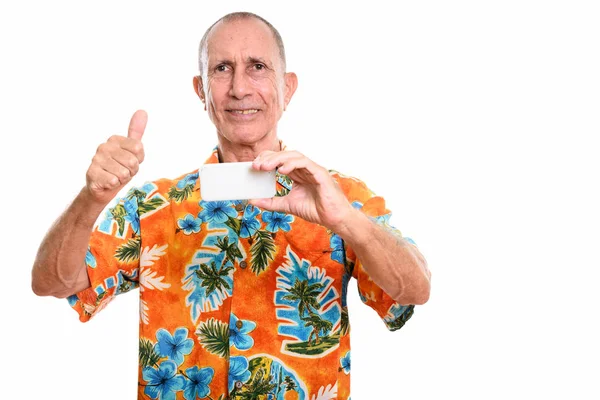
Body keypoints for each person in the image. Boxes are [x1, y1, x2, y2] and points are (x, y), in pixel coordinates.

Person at [31, 11, 430, 400]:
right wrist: (92, 197)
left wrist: (347, 221)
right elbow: (54, 282)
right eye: (221, 69)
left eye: (257, 66)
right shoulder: (153, 205)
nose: (240, 87)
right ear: (201, 90)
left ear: (288, 88)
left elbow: (413, 291)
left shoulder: (342, 198)